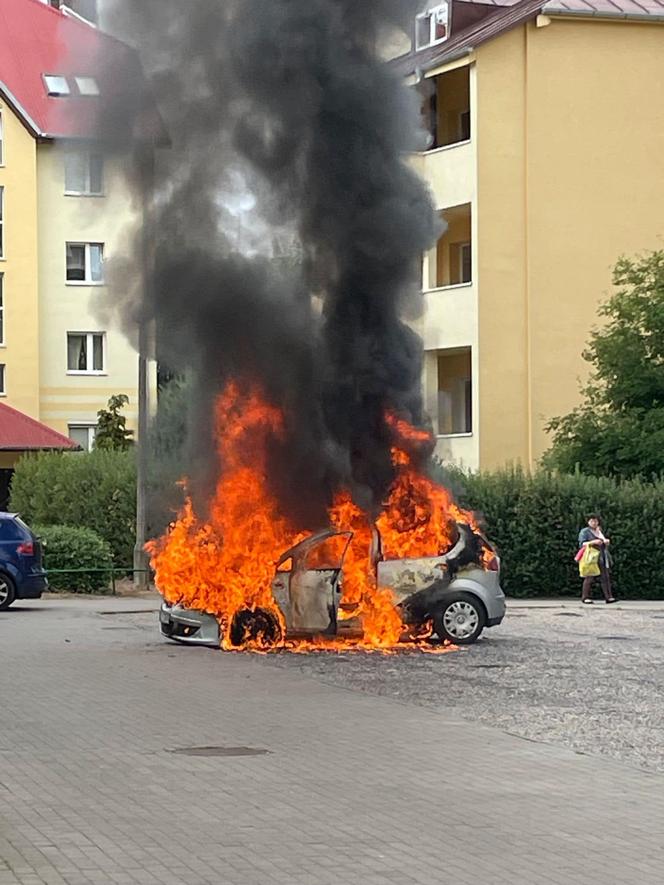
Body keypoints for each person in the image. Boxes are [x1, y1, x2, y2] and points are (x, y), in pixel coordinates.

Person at [578, 514, 616, 605]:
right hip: (591, 557)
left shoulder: (599, 531)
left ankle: (608, 597)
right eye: (592, 521)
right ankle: (585, 597)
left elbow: (603, 541)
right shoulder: (585, 531)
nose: (594, 523)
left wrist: (605, 541)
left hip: (602, 556)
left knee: (605, 577)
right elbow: (582, 543)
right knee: (589, 577)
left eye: (595, 521)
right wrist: (593, 542)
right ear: (588, 522)